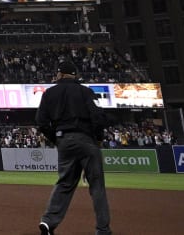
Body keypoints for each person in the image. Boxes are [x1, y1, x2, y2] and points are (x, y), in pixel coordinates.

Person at [36, 60, 112, 235]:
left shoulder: (49, 93)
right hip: (86, 140)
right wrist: (98, 139)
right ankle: (103, 230)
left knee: (64, 183)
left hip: (64, 139)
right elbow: (98, 118)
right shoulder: (85, 91)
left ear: (61, 74)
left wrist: (56, 140)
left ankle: (48, 222)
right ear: (75, 75)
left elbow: (41, 122)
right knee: (97, 186)